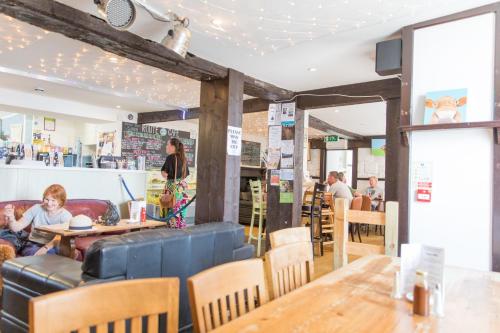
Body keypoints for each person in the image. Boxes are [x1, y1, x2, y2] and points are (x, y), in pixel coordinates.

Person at [0, 184, 72, 258]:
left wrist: (45, 248)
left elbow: (60, 238)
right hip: (33, 243)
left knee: (51, 256)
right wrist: (11, 218)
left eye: (53, 200)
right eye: (47, 199)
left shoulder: (66, 216)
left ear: (61, 201)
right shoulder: (36, 208)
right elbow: (16, 228)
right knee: (37, 256)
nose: (49, 203)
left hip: (53, 245)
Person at [161, 138, 190, 229]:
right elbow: (186, 174)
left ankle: (171, 227)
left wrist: (166, 175)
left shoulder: (170, 157)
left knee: (170, 206)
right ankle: (180, 226)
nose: (166, 146)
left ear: (173, 147)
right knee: (180, 209)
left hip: (172, 187)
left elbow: (165, 173)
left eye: (167, 144)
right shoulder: (183, 158)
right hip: (182, 187)